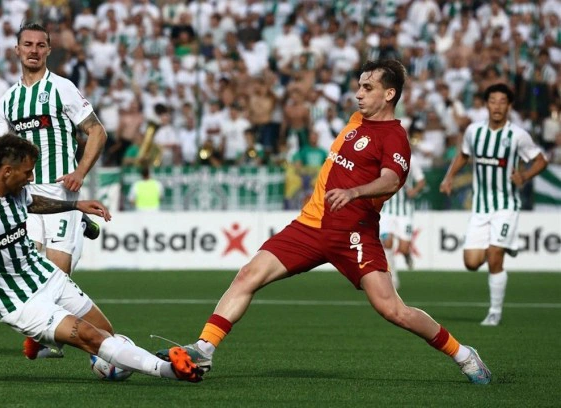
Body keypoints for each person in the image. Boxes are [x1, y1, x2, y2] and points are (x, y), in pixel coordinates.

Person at [159, 60, 492, 385]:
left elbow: (391, 179)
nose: (358, 93)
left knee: (393, 310)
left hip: (353, 234)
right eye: (359, 86)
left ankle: (463, 354)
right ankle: (204, 349)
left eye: (368, 87)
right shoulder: (356, 120)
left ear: (389, 94)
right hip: (309, 226)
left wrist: (354, 192)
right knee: (248, 274)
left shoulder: (394, 137)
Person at [0, 135, 204, 383]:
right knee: (90, 337)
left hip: (43, 274)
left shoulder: (15, 189)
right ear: (7, 171)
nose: (31, 178)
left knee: (106, 332)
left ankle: (83, 354)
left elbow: (34, 202)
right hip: (17, 300)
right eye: (28, 172)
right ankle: (169, 370)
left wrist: (76, 205)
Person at [0, 23, 106, 358]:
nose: (33, 50)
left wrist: (79, 172)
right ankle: (52, 338)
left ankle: (56, 341)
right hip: (25, 198)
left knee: (56, 273)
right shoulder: (8, 100)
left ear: (49, 50)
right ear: (17, 49)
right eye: (27, 44)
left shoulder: (62, 88)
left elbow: (97, 132)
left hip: (60, 193)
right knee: (30, 274)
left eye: (40, 45)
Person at [440, 83, 548, 326]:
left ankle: (494, 312)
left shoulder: (517, 135)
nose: (497, 106)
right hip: (480, 207)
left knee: (494, 255)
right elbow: (463, 155)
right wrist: (449, 177)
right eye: (493, 101)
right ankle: (506, 243)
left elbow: (541, 160)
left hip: (505, 205)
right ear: (486, 104)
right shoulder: (474, 131)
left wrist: (524, 176)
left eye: (502, 101)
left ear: (509, 106)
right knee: (471, 262)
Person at [379, 153, 426, 289]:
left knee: (403, 248)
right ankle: (393, 278)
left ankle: (407, 255)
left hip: (404, 211)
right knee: (387, 243)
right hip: (386, 210)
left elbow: (421, 180)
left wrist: (414, 191)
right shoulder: (383, 158)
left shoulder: (411, 159)